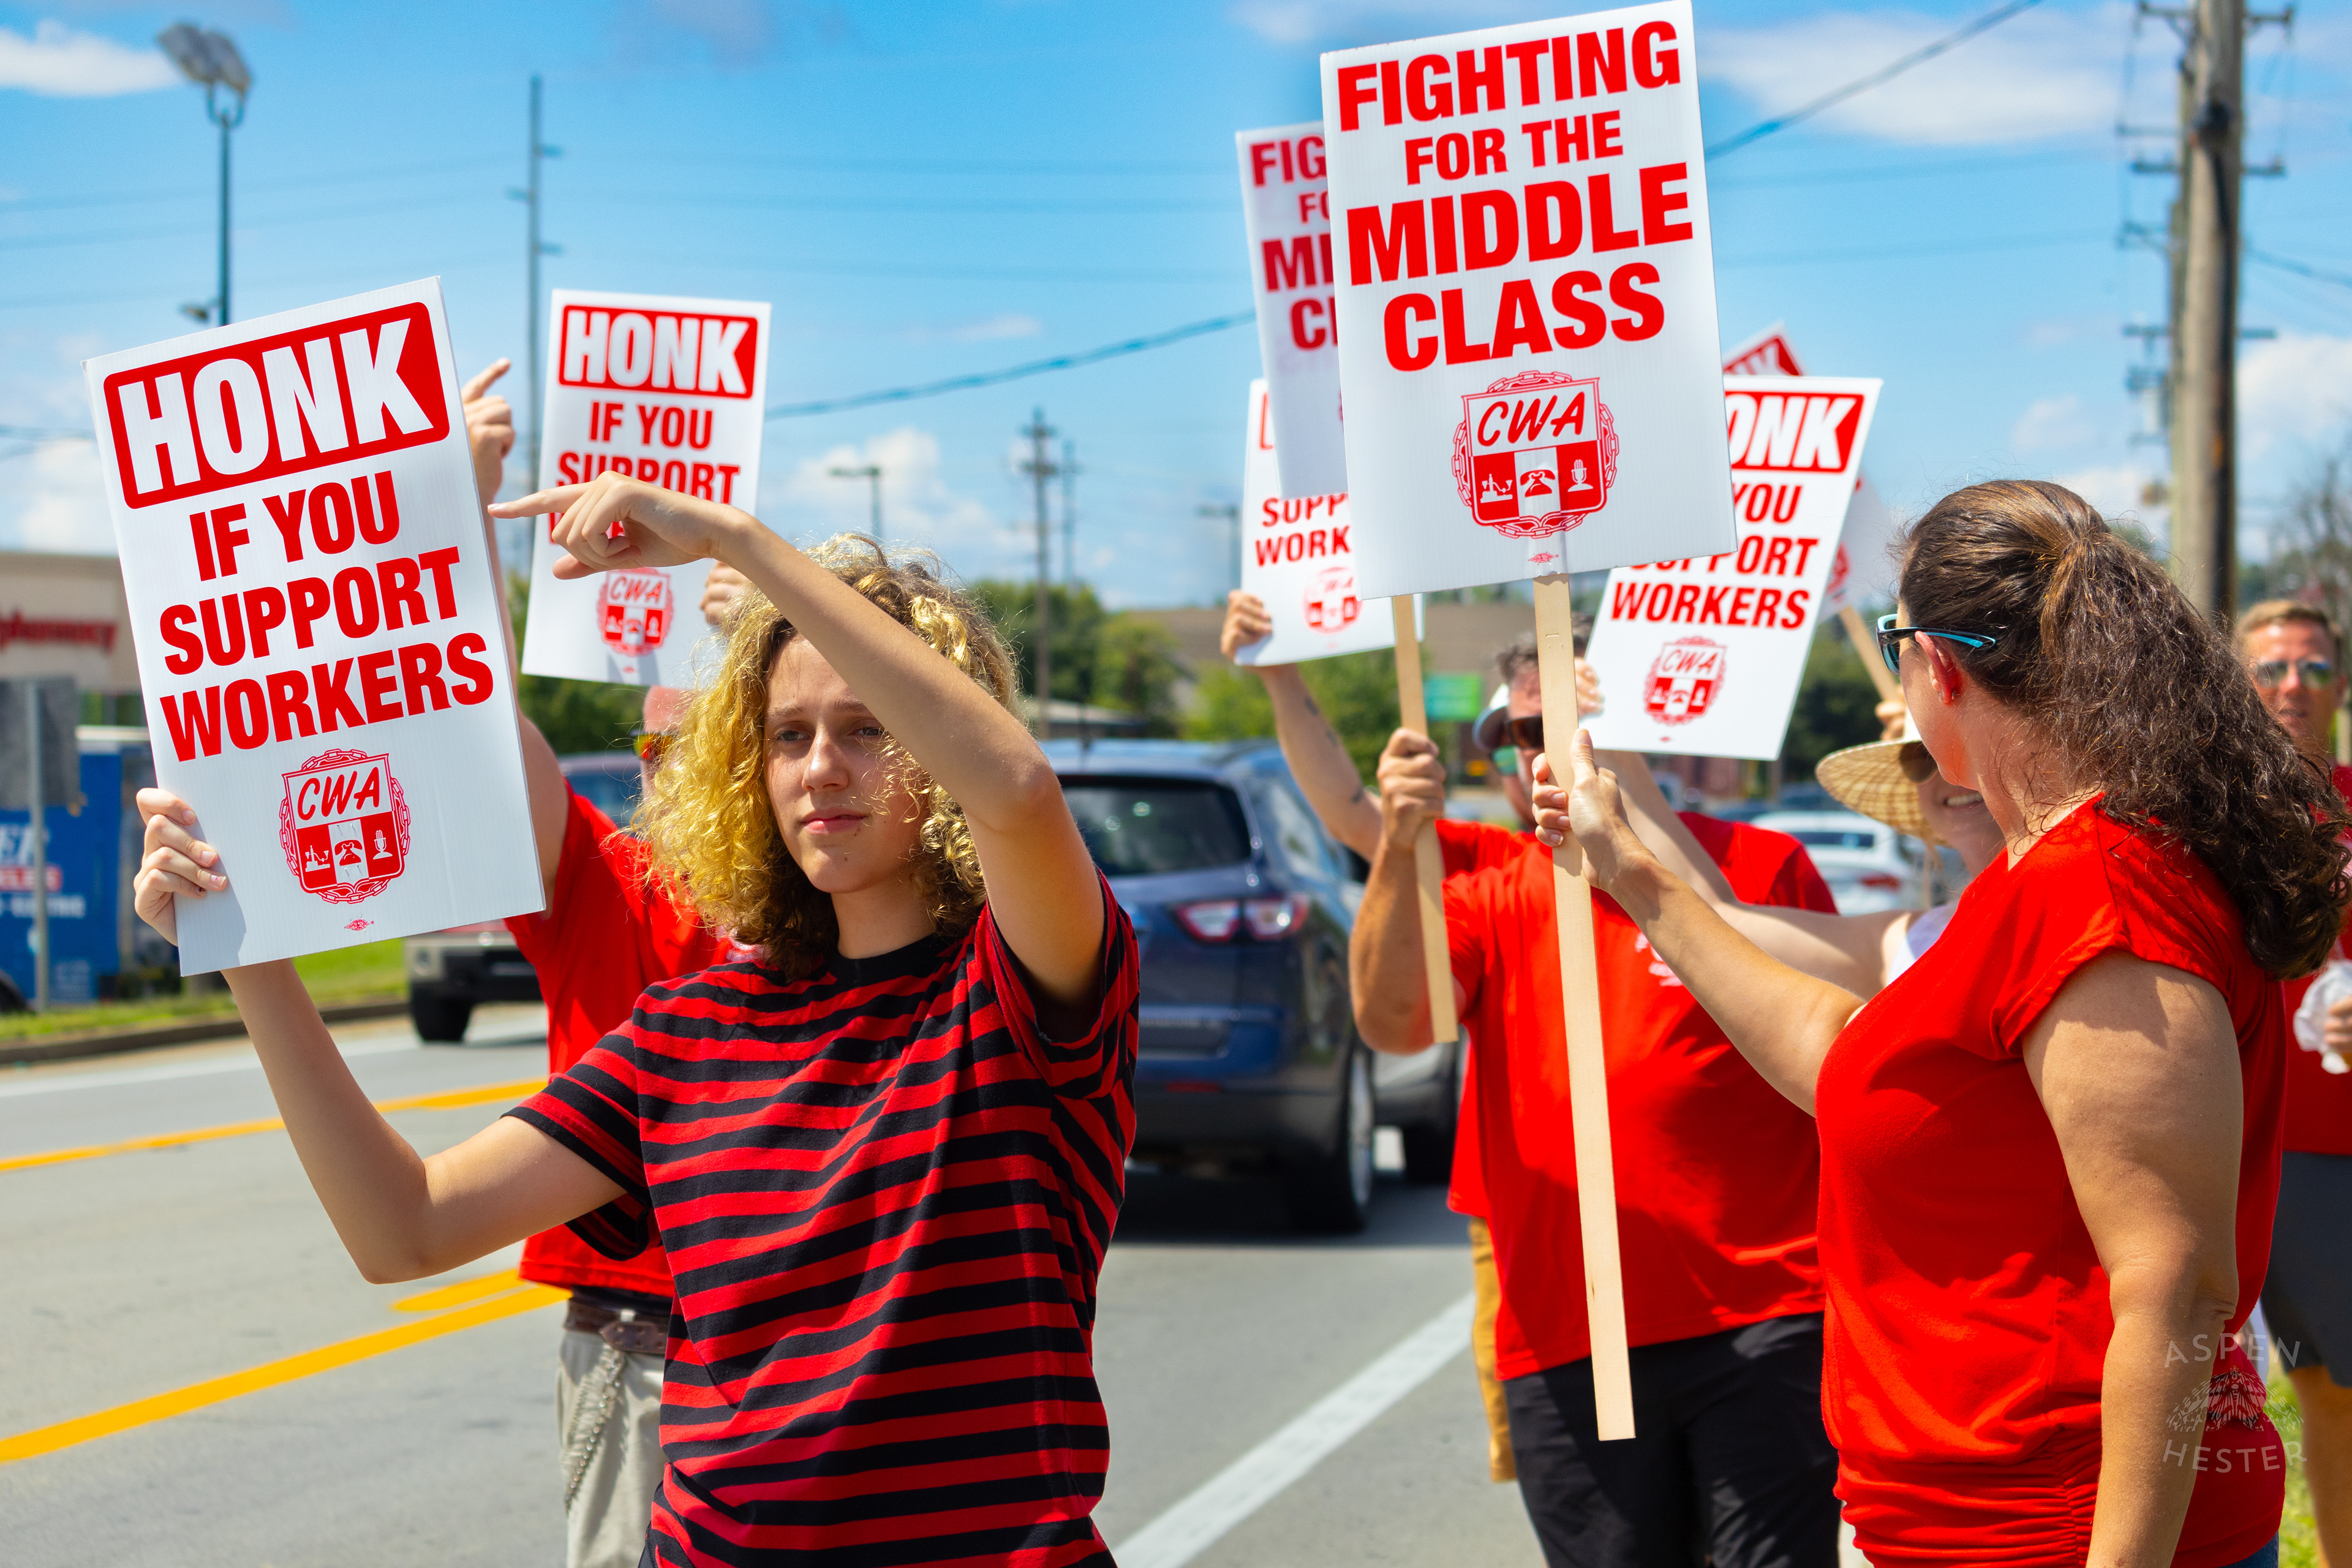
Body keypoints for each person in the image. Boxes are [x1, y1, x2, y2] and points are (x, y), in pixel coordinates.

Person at [135, 476, 1139, 1568]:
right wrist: (249, 957)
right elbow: (403, 1228)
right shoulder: (691, 1030)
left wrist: (736, 543)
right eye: (788, 735)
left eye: (870, 727)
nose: (822, 769)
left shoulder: (1017, 993)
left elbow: (1022, 793)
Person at [1537, 480, 2346, 1566]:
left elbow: (2177, 1287)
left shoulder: (2095, 888)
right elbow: (1848, 1056)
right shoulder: (2048, 876)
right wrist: (1635, 873)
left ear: (1940, 667)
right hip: (1978, 1523)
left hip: (2050, 1532)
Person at [1352, 634, 1847, 1566]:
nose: (1536, 755)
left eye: (1564, 726)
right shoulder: (1489, 884)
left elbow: (1830, 1066)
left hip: (1765, 1317)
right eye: (1516, 735)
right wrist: (1396, 842)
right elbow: (1392, 1023)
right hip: (1568, 1338)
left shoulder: (1760, 868)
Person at [2239, 598, 2352, 1565]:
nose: (2292, 688)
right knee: (2251, 1394)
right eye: (2273, 668)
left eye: (2314, 670)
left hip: (2332, 1152)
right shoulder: (2198, 815)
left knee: (2337, 1391)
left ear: (2343, 687)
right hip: (2223, 1149)